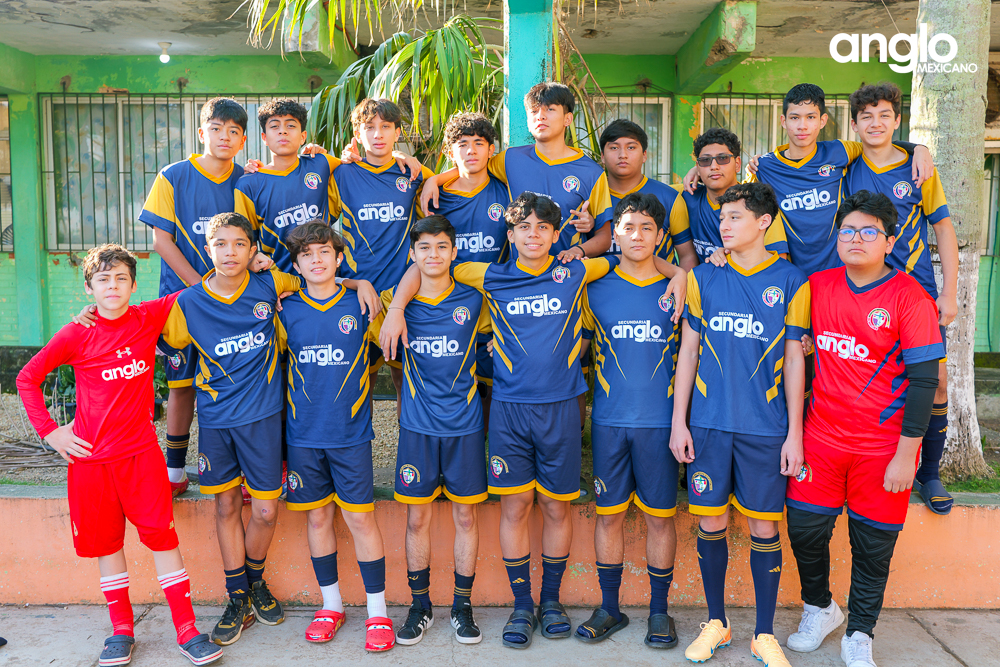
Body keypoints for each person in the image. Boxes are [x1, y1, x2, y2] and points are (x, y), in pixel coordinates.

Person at [380, 191, 685, 649]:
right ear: (511, 234)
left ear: (556, 233)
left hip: (561, 408)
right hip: (508, 410)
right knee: (515, 507)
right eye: (524, 227)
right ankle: (522, 605)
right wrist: (397, 308)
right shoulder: (488, 275)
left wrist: (678, 272)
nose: (534, 235)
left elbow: (631, 257)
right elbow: (428, 265)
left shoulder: (576, 270)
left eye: (543, 227)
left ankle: (551, 601)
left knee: (556, 507)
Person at [17, 245, 222, 666]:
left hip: (141, 457)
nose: (112, 286)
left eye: (121, 279)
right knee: (107, 545)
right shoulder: (76, 333)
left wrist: (255, 261)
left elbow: (205, 283)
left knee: (163, 538)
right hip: (91, 462)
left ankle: (186, 628)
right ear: (88, 287)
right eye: (103, 280)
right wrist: (51, 432)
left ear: (133, 284)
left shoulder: (148, 317)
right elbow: (27, 378)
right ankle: (121, 630)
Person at [784, 191, 943, 667]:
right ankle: (820, 609)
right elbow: (795, 346)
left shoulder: (910, 297)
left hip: (883, 449)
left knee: (872, 547)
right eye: (848, 230)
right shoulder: (818, 285)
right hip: (821, 439)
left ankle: (859, 632)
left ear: (889, 241)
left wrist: (906, 456)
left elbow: (925, 381)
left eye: (869, 231)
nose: (856, 238)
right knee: (805, 531)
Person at [671, 182, 809, 666]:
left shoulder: (791, 280)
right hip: (709, 424)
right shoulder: (703, 277)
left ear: (763, 222)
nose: (724, 226)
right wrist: (679, 423)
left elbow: (795, 361)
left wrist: (794, 434)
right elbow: (688, 351)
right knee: (709, 520)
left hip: (765, 428)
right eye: (722, 218)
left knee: (764, 527)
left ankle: (764, 634)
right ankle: (717, 623)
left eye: (734, 218)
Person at [159, 212, 301, 646]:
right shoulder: (187, 303)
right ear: (207, 250)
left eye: (240, 243)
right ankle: (237, 595)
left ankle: (254, 580)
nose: (230, 252)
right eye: (220, 244)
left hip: (263, 420)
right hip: (217, 421)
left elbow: (314, 283)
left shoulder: (269, 284)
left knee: (265, 511)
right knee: (225, 508)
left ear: (253, 249)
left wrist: (359, 284)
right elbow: (150, 331)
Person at [369, 216, 492, 646]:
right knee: (417, 517)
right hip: (417, 429)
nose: (433, 254)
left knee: (465, 516)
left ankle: (462, 607)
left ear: (454, 252)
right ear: (412, 254)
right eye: (424, 247)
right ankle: (419, 606)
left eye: (442, 246)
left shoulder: (475, 300)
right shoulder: (393, 302)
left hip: (465, 426)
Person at [276, 222, 394, 651]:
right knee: (318, 518)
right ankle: (331, 606)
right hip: (303, 435)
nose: (316, 260)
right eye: (306, 255)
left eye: (324, 252)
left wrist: (362, 284)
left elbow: (394, 330)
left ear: (339, 258)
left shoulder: (362, 304)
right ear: (296, 265)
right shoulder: (284, 310)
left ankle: (378, 613)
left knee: (360, 519)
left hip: (350, 434)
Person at [844, 82, 958, 515]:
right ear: (854, 125)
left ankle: (930, 472)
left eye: (884, 116)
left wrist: (949, 291)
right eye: (867, 117)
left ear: (897, 120)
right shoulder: (845, 165)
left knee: (936, 381)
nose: (875, 124)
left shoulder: (918, 169)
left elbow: (943, 228)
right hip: (862, 293)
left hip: (917, 292)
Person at [576, 193, 681, 649]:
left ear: (660, 236)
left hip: (661, 424)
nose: (637, 235)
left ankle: (659, 612)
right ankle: (609, 608)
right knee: (609, 517)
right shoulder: (594, 288)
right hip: (609, 422)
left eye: (647, 228)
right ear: (614, 234)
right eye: (628, 227)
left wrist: (680, 274)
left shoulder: (680, 288)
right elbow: (575, 351)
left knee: (660, 519)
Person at [138, 97, 249, 496]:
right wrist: (201, 289)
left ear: (243, 140)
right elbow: (161, 241)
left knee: (237, 383)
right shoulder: (173, 176)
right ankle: (174, 471)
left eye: (233, 131)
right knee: (181, 384)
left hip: (234, 303)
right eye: (216, 129)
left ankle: (242, 468)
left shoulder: (247, 181)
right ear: (202, 133)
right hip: (183, 301)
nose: (224, 137)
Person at [735, 83, 933, 277]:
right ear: (783, 121)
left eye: (810, 117)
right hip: (793, 275)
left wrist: (918, 149)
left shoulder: (840, 151)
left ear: (823, 121)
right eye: (794, 117)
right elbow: (740, 213)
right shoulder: (763, 167)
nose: (802, 126)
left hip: (839, 275)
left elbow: (878, 143)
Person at [422, 82, 612, 259]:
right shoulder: (510, 159)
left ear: (568, 118)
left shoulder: (592, 173)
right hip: (518, 274)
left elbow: (604, 237)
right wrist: (435, 180)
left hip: (564, 272)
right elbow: (474, 165)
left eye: (550, 109)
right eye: (534, 111)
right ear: (528, 120)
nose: (541, 116)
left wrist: (579, 249)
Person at [332, 98, 435, 415]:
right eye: (369, 127)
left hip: (403, 293)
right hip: (358, 294)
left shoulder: (413, 174)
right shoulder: (341, 173)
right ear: (357, 133)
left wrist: (428, 174)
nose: (378, 134)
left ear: (397, 132)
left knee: (406, 379)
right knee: (360, 382)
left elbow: (449, 182)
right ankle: (358, 444)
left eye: (386, 127)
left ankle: (409, 443)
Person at [423, 112, 511, 427]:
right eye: (462, 144)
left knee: (492, 385)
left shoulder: (506, 190)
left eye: (479, 143)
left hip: (495, 306)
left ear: (491, 150)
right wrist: (433, 179)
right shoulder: (435, 196)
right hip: (450, 305)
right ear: (450, 151)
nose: (471, 150)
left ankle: (488, 445)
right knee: (452, 383)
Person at [233, 98, 339, 273]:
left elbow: (356, 170)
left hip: (324, 277)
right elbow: (244, 240)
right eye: (275, 126)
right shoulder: (248, 184)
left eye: (290, 125)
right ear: (264, 138)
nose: (283, 131)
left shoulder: (322, 163)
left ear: (303, 137)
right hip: (277, 281)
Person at [593, 119, 697, 268]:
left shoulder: (669, 198)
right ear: (602, 156)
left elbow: (687, 256)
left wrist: (680, 282)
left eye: (631, 147)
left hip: (661, 283)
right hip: (603, 283)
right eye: (614, 148)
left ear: (644, 155)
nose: (623, 155)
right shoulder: (589, 198)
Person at [679, 127, 755, 262]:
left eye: (723, 158)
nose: (714, 166)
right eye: (705, 160)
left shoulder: (756, 204)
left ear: (737, 164)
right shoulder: (688, 195)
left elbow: (776, 261)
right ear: (698, 166)